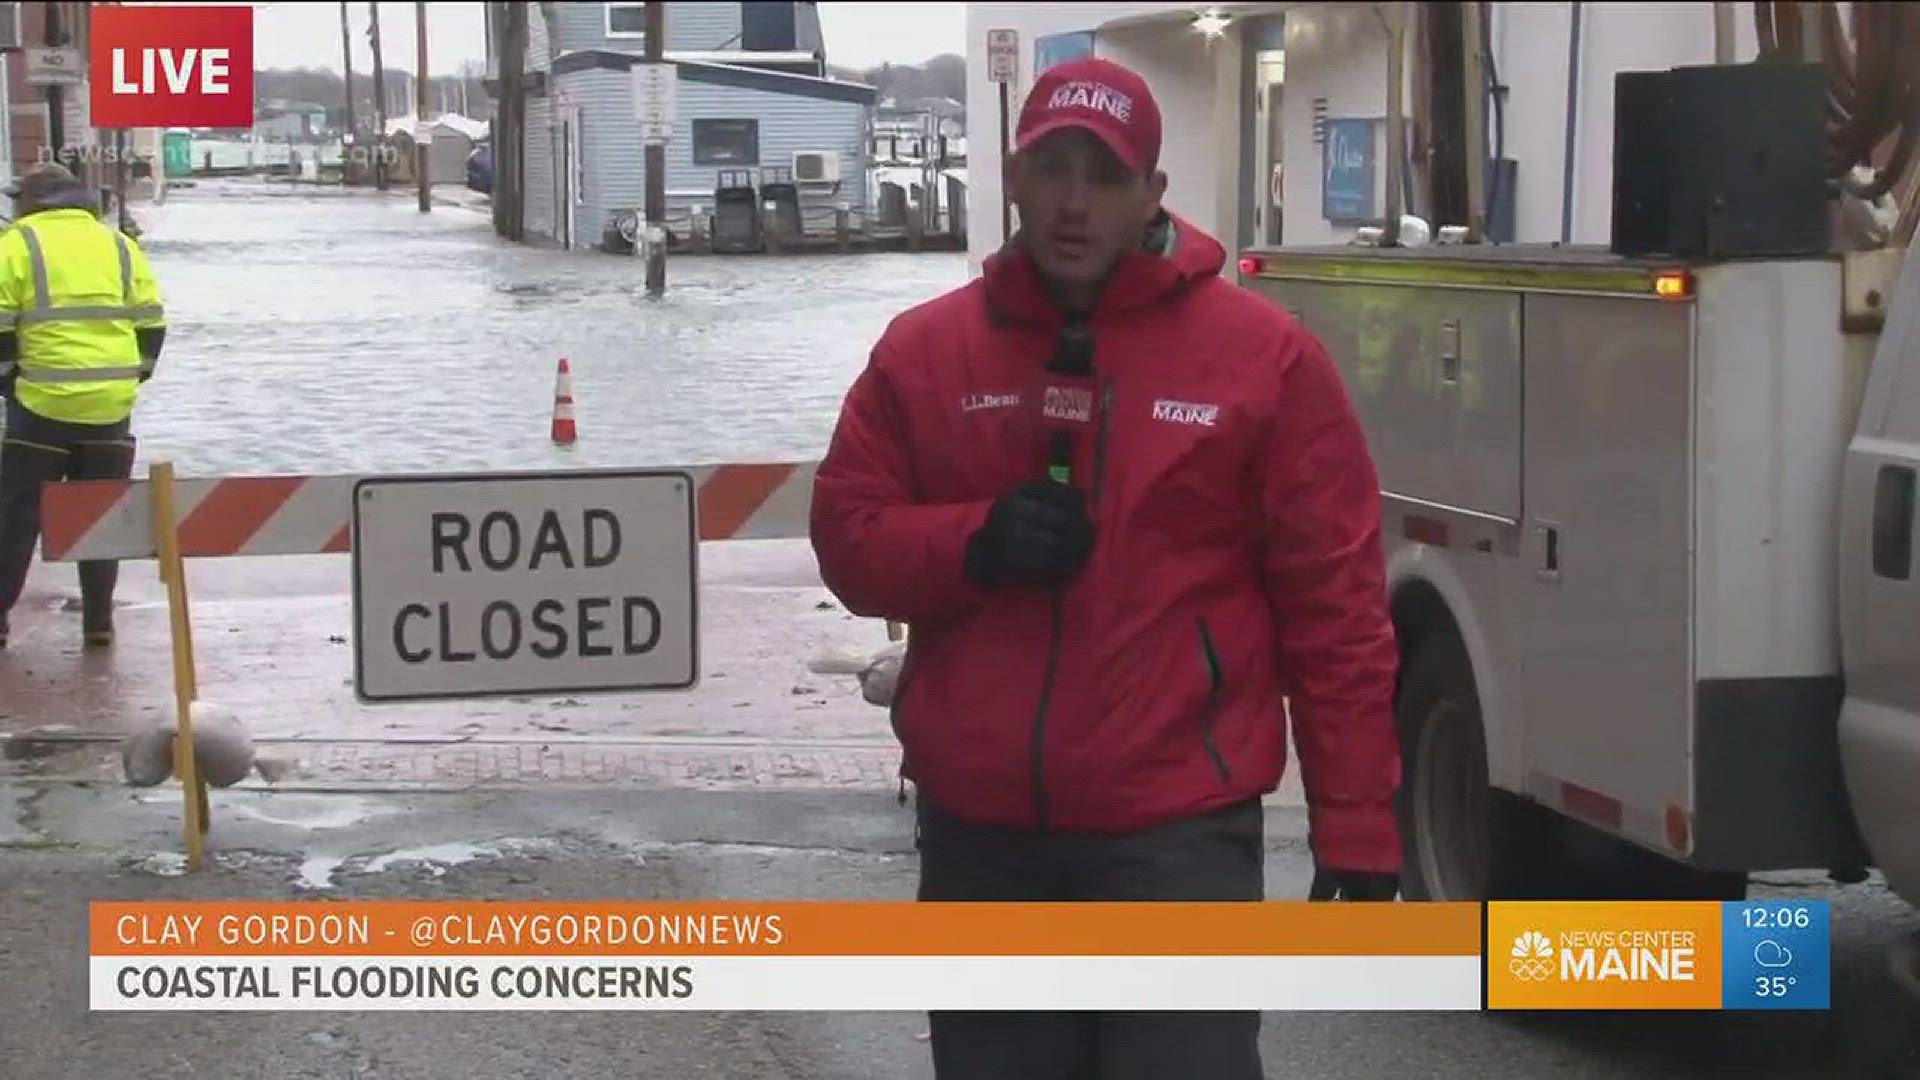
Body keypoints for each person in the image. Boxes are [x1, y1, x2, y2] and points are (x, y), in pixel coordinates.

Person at [809, 57, 1403, 1078]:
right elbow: (849, 539)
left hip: (1175, 837)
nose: (1074, 202)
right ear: (1012, 178)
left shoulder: (1265, 362)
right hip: (985, 839)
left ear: (1153, 195)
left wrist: (1357, 821)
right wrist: (973, 545)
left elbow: (1336, 608)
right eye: (1053, 168)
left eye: (1105, 174)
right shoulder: (925, 353)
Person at [0, 163, 167, 650]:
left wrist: (10, 384)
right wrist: (131, 377)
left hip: (41, 403)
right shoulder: (118, 244)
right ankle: (98, 623)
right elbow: (153, 325)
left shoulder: (16, 243)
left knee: (18, 511)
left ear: (31, 201)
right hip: (110, 405)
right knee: (101, 513)